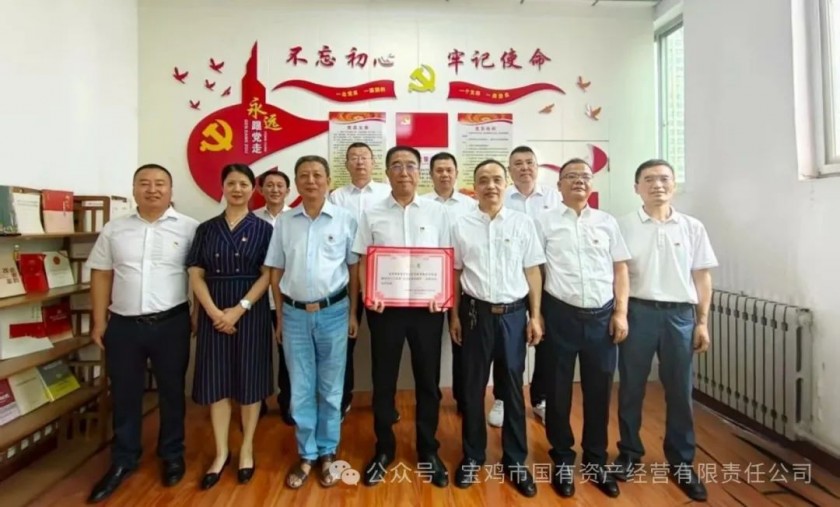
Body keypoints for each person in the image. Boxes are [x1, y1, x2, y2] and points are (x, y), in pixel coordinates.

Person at [86, 164, 198, 503]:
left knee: (172, 392)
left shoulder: (190, 228)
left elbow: (199, 274)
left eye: (160, 183)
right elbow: (101, 274)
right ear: (134, 189)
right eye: (144, 183)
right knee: (125, 393)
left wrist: (195, 312)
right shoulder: (114, 229)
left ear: (171, 190)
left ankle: (172, 454)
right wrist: (98, 321)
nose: (152, 189)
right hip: (123, 325)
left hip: (171, 323)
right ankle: (124, 458)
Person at [612, 159, 717, 502]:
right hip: (638, 313)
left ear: (674, 185)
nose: (657, 185)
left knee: (680, 391)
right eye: (649, 180)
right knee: (631, 388)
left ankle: (681, 462)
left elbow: (702, 276)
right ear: (636, 187)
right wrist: (621, 313)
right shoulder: (622, 226)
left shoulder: (692, 227)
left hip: (680, 317)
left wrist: (702, 321)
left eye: (664, 179)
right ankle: (629, 452)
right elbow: (619, 274)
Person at [353, 145, 450, 488]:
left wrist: (444, 295)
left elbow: (447, 259)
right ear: (387, 172)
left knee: (428, 383)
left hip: (428, 312)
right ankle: (384, 449)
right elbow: (363, 260)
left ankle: (428, 449)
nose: (404, 171)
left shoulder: (438, 213)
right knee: (383, 382)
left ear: (419, 172)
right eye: (396, 165)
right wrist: (369, 294)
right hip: (386, 312)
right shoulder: (372, 213)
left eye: (410, 165)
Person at [450, 159, 545, 498]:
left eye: (496, 179)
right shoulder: (461, 225)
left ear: (505, 183)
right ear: (474, 187)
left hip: (514, 316)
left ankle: (515, 460)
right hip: (475, 315)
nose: (490, 186)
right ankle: (473, 456)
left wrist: (536, 316)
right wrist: (454, 316)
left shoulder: (523, 223)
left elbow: (532, 271)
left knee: (512, 389)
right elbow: (455, 273)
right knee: (472, 389)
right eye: (483, 180)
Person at [535, 159, 628, 499]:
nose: (579, 181)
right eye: (571, 176)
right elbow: (536, 271)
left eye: (585, 176)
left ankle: (595, 460)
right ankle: (562, 458)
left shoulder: (607, 222)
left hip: (602, 318)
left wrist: (621, 312)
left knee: (599, 391)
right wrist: (537, 314)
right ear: (558, 185)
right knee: (557, 391)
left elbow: (620, 270)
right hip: (559, 315)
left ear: (592, 184)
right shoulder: (543, 222)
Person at [264, 155, 359, 488]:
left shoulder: (345, 219)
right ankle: (307, 454)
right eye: (304, 175)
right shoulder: (285, 222)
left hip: (334, 313)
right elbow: (275, 270)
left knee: (331, 389)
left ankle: (328, 451)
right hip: (293, 315)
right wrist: (279, 317)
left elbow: (353, 269)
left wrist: (352, 313)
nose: (311, 180)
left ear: (328, 181)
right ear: (296, 182)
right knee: (301, 389)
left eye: (317, 175)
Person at [187, 163, 274, 490]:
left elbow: (268, 274)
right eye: (231, 183)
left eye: (243, 184)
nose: (237, 189)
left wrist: (238, 310)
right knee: (217, 382)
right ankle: (221, 451)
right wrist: (213, 312)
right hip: (213, 310)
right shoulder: (206, 229)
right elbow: (195, 274)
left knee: (250, 380)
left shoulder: (265, 229)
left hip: (250, 310)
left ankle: (247, 447)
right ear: (222, 188)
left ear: (253, 189)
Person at [328, 142, 391, 420]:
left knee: (384, 344)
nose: (360, 162)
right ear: (346, 165)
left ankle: (383, 403)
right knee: (344, 344)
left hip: (383, 280)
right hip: (345, 277)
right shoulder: (336, 196)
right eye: (353, 158)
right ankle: (343, 399)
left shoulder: (387, 193)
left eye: (364, 157)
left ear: (373, 162)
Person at [503, 145, 561, 425]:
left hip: (547, 279)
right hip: (509, 279)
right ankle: (503, 398)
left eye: (529, 162)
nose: (524, 167)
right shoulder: (501, 196)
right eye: (518, 163)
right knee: (508, 344)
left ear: (537, 167)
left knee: (546, 342)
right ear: (509, 170)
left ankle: (540, 398)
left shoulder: (554, 198)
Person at [420, 152, 480, 419]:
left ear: (456, 173)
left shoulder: (471, 206)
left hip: (462, 283)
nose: (444, 174)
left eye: (449, 170)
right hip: (427, 286)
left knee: (463, 343)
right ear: (430, 174)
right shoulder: (420, 204)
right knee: (428, 347)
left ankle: (464, 398)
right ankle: (429, 398)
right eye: (439, 170)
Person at [254, 168, 294, 425]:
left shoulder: (297, 218)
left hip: (287, 297)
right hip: (258, 297)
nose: (275, 189)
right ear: (260, 190)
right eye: (269, 185)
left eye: (280, 185)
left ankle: (287, 402)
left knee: (288, 354)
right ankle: (256, 401)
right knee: (257, 352)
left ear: (288, 191)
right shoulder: (252, 219)